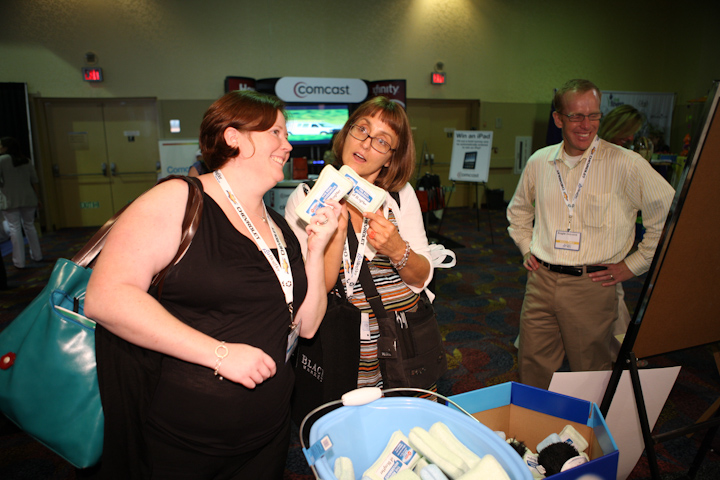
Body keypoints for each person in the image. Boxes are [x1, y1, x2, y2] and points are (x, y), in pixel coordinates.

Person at [84, 90, 340, 479]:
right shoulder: (180, 200)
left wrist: (316, 248)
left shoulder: (278, 225)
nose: (287, 145)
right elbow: (106, 297)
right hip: (186, 437)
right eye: (275, 132)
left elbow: (307, 325)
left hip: (267, 433)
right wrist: (219, 353)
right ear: (233, 136)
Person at [506, 79, 675, 390]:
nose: (586, 125)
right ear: (558, 119)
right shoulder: (539, 162)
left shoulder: (627, 165)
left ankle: (586, 436)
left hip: (592, 285)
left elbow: (666, 214)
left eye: (594, 116)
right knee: (532, 365)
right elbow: (518, 213)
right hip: (541, 280)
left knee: (590, 373)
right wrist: (527, 248)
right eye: (576, 116)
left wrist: (634, 264)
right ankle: (534, 430)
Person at [284, 96, 437, 394]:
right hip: (344, 352)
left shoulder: (401, 196)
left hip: (404, 346)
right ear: (346, 133)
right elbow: (314, 293)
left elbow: (421, 277)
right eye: (362, 129)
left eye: (382, 141)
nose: (366, 144)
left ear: (391, 157)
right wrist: (334, 238)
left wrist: (396, 248)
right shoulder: (306, 199)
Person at [598, 105, 645, 360]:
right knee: (612, 298)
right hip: (596, 240)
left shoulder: (625, 158)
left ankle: (625, 352)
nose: (630, 140)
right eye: (627, 134)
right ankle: (626, 354)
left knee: (611, 296)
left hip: (612, 240)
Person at [0, 136, 43, 269]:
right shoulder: (26, 160)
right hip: (28, 198)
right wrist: (38, 198)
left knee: (15, 228)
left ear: (6, 147)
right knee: (29, 226)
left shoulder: (1, 160)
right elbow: (34, 180)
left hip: (10, 199)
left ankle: (19, 262)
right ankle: (37, 255)